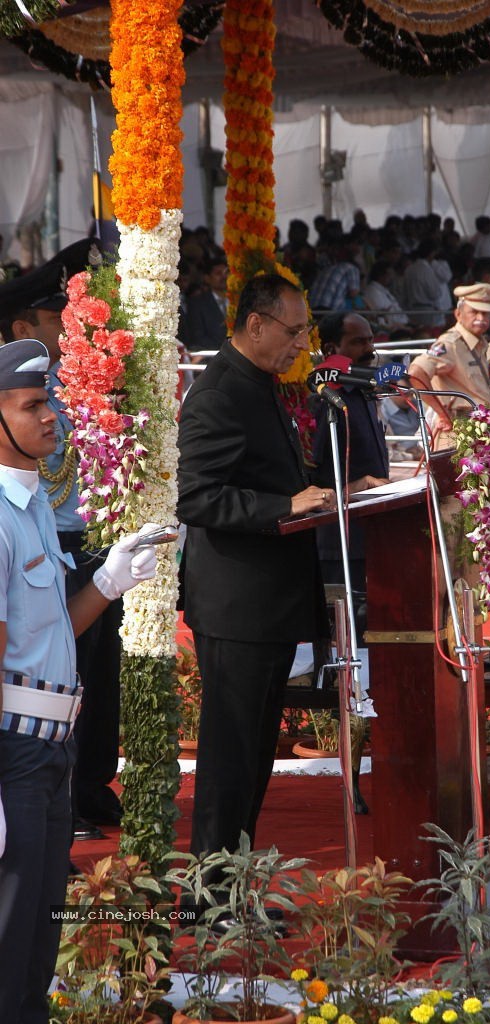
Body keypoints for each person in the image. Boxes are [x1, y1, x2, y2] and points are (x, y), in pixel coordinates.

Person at [0, 338, 158, 1024]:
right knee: (10, 940)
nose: (50, 418)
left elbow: (54, 625)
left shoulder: (33, 502)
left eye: (51, 403)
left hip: (50, 748)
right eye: (31, 405)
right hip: (15, 751)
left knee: (36, 938)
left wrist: (107, 581)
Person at [177, 273, 329, 859]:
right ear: (256, 324)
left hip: (267, 603)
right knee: (230, 760)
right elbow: (193, 494)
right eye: (293, 331)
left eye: (305, 332)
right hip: (238, 606)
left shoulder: (259, 382)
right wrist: (283, 506)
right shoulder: (221, 392)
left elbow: (267, 475)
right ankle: (208, 894)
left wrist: (331, 487)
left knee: (255, 755)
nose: (301, 345)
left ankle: (232, 884)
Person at [0, 240, 126, 840]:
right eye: (57, 319)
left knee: (97, 673)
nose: (69, 327)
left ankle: (88, 786)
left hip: (81, 538)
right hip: (18, 744)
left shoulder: (76, 382)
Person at [311, 312, 389, 595]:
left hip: (372, 531)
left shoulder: (362, 389)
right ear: (331, 349)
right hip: (338, 541)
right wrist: (359, 485)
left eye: (370, 340)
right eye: (359, 342)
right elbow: (310, 478)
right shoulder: (325, 398)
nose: (370, 349)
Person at [408, 282, 490, 449]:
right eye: (474, 312)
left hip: (480, 436)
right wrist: (441, 414)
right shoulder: (450, 344)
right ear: (458, 314)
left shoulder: (480, 344)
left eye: (486, 313)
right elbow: (416, 372)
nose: (481, 318)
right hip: (458, 438)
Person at [185, 255, 228, 352]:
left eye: (226, 273)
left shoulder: (239, 300)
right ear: (207, 278)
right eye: (218, 273)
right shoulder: (197, 304)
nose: (224, 277)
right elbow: (197, 337)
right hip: (211, 357)